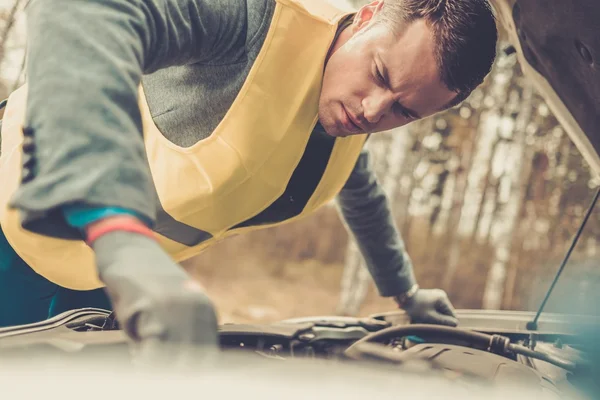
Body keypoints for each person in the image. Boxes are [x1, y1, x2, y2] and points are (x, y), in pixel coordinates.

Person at [0, 0, 497, 355]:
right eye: (382, 75)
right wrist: (113, 225)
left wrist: (405, 293)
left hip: (102, 277)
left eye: (404, 112)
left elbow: (360, 191)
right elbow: (82, 12)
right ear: (367, 15)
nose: (374, 112)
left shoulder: (347, 114)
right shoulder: (254, 19)